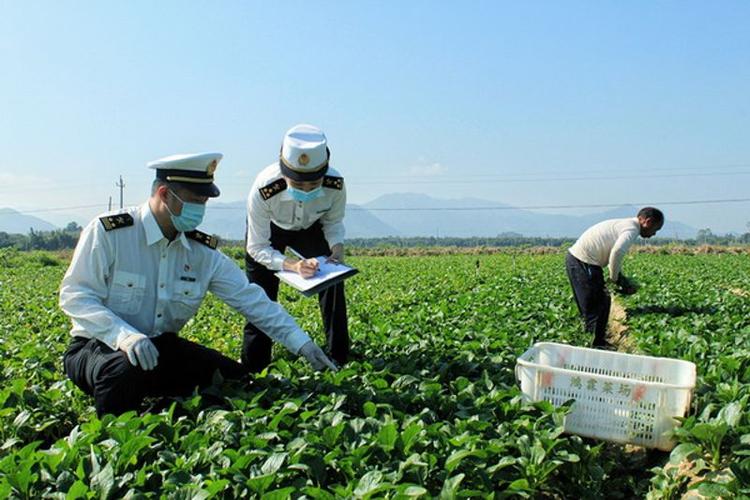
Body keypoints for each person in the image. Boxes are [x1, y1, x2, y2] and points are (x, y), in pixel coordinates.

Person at [59, 152, 336, 416]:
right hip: (97, 346)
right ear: (164, 195)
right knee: (123, 372)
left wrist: (303, 345)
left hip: (161, 349)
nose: (200, 211)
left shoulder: (202, 252)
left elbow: (253, 301)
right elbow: (75, 296)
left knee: (237, 381)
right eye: (195, 201)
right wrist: (124, 337)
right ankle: (121, 443)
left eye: (204, 203)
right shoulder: (111, 233)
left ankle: (166, 406)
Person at [243, 124, 349, 372]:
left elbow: (333, 222)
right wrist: (292, 265)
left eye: (313, 185)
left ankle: (338, 356)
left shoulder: (335, 185)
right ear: (283, 172)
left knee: (333, 280)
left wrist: (336, 248)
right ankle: (253, 367)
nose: (306, 191)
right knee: (259, 296)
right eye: (299, 185)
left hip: (311, 228)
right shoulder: (264, 189)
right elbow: (257, 247)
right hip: (271, 230)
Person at [565, 207, 664, 348]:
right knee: (595, 306)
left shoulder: (627, 225)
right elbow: (617, 251)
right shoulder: (632, 229)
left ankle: (597, 341)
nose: (653, 234)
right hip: (583, 261)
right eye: (655, 229)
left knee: (603, 301)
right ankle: (594, 345)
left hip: (582, 261)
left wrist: (618, 276)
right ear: (647, 222)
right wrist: (614, 279)